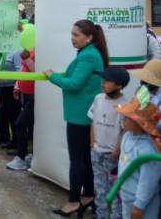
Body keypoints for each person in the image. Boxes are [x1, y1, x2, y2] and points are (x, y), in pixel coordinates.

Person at [45, 19, 107, 217]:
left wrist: (52, 76)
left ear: (88, 37)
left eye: (76, 35)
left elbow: (74, 84)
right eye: (72, 34)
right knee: (85, 159)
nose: (72, 39)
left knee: (77, 160)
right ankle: (88, 195)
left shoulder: (88, 56)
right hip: (83, 114)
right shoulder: (90, 53)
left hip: (80, 116)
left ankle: (73, 202)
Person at [88, 65, 129, 219]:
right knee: (99, 187)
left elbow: (123, 130)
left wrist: (117, 150)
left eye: (107, 81)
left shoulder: (125, 105)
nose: (103, 83)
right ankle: (101, 215)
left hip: (112, 155)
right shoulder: (98, 98)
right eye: (103, 79)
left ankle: (115, 216)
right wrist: (92, 142)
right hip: (96, 151)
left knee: (115, 190)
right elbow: (93, 120)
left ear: (119, 85)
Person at [116, 89, 161, 219]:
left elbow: (149, 180)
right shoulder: (127, 136)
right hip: (126, 196)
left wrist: (139, 205)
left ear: (140, 123)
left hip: (141, 203)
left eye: (127, 117)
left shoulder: (148, 149)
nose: (123, 119)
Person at [7, 46, 36, 171]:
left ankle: (21, 157)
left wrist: (27, 58)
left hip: (35, 95)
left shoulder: (40, 51)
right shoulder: (30, 50)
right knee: (30, 125)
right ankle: (30, 155)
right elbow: (23, 70)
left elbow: (37, 72)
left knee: (20, 124)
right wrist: (18, 85)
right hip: (26, 94)